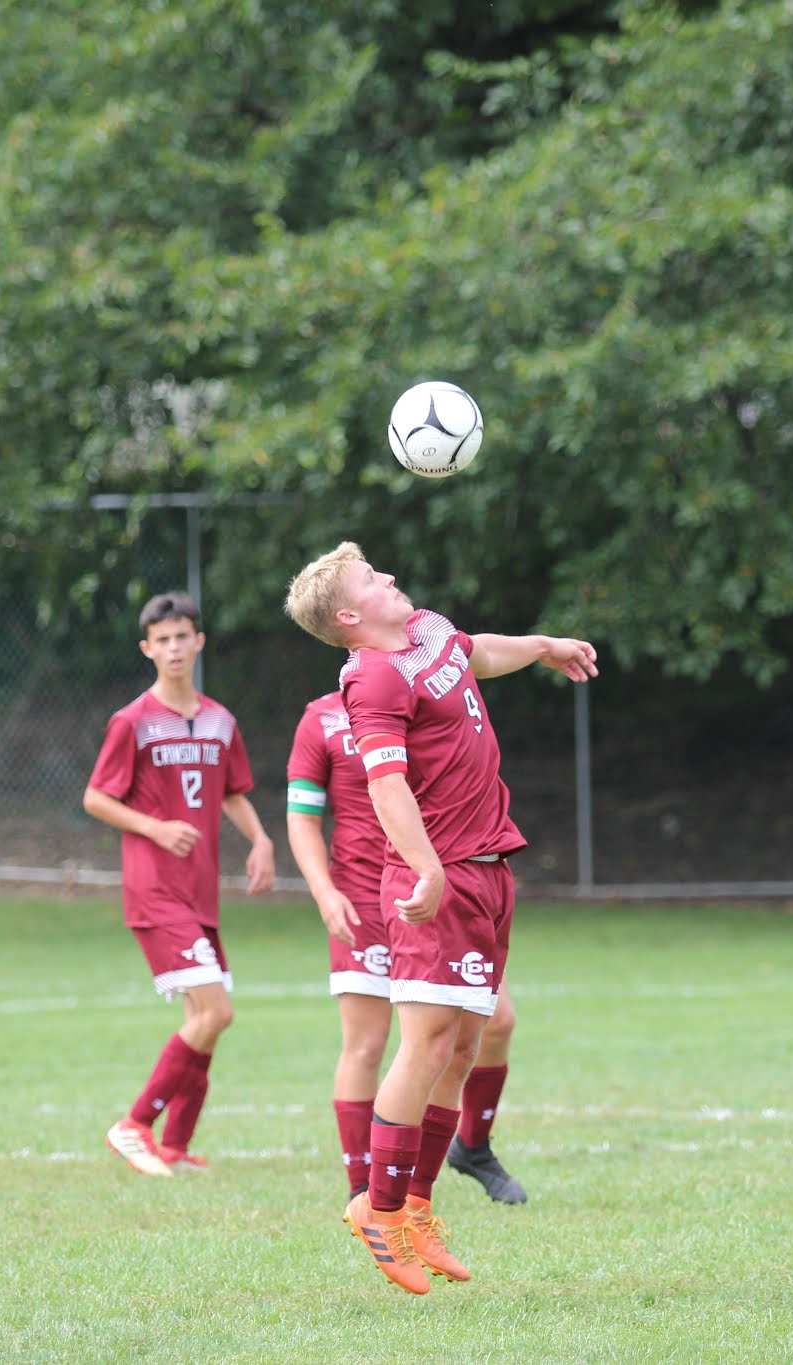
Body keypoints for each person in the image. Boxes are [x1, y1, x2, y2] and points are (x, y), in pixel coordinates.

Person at [284, 543, 595, 1295]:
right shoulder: (374, 679)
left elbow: (477, 653)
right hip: (439, 875)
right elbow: (387, 786)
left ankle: (417, 1205)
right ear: (351, 616)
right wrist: (425, 867)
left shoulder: (426, 631)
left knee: (463, 1041)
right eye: (371, 578)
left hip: (487, 869)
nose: (391, 575)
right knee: (423, 1044)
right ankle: (379, 1209)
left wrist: (545, 646)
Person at [285, 691, 528, 1206]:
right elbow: (302, 817)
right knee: (369, 1044)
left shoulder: (426, 695)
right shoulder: (321, 719)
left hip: (438, 890)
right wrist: (324, 891)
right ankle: (362, 1189)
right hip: (366, 900)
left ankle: (473, 1150)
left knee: (496, 1023)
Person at [83, 594, 275, 1177]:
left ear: (199, 642)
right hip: (156, 891)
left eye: (182, 636)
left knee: (204, 1016)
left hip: (200, 893)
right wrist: (154, 828)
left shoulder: (219, 720)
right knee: (215, 1012)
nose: (173, 647)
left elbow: (231, 791)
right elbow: (96, 797)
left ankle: (175, 1145)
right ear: (147, 649)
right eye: (161, 640)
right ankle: (134, 1124)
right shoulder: (132, 721)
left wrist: (261, 840)